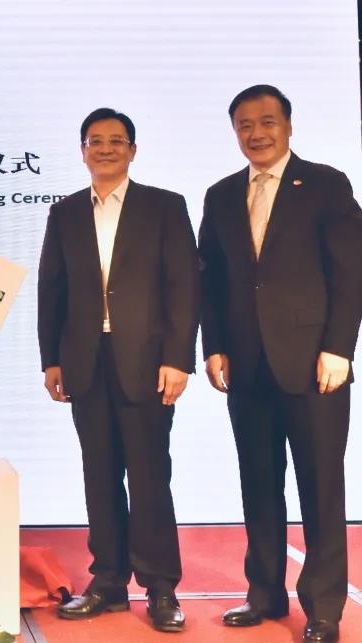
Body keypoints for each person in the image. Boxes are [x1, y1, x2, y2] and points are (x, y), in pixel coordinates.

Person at [199, 84, 362, 643]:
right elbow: (211, 279)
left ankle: (323, 608)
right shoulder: (221, 195)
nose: (256, 134)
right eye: (245, 125)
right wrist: (214, 345)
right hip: (247, 366)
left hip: (315, 366)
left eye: (267, 122)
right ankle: (264, 593)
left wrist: (339, 348)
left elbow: (351, 272)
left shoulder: (325, 184)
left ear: (288, 126)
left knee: (321, 489)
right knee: (259, 484)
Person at [38, 108, 199, 633]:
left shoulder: (164, 206)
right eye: (95, 141)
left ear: (133, 150)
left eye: (116, 140)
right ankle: (107, 582)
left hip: (147, 363)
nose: (105, 149)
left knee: (150, 476)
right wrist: (51, 358)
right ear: (82, 150)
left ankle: (161, 588)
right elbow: (51, 290)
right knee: (99, 475)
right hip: (85, 362)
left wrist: (178, 358)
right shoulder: (64, 212)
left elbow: (183, 286)